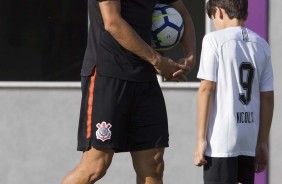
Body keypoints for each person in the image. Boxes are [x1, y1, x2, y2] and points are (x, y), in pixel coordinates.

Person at [61, 0, 196, 183]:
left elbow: (182, 12)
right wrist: (158, 61)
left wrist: (190, 56)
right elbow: (113, 22)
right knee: (95, 166)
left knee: (154, 165)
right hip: (108, 74)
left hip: (144, 78)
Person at [193, 0, 274, 183]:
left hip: (221, 140)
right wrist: (262, 141)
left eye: (212, 18)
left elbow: (206, 88)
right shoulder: (262, 44)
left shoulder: (213, 39)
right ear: (245, 15)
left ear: (219, 12)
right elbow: (268, 96)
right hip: (249, 138)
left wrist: (200, 139)